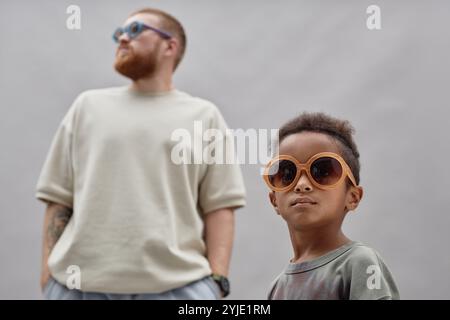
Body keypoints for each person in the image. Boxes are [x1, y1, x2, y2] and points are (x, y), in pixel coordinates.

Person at [36, 7, 246, 300]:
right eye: (118, 33)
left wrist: (217, 282)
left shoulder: (204, 116)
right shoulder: (87, 107)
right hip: (78, 288)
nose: (122, 38)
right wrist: (48, 273)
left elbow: (220, 205)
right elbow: (59, 197)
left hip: (178, 289)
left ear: (170, 46)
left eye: (135, 30)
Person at [264, 112, 399, 300]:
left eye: (322, 171)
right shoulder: (276, 288)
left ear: (352, 197)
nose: (302, 184)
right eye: (287, 174)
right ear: (274, 200)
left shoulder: (360, 263)